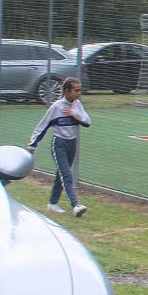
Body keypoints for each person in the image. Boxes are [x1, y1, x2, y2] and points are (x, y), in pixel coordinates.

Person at [28, 77, 91, 218]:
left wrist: (74, 113)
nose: (79, 93)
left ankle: (52, 203)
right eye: (76, 90)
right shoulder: (56, 107)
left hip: (72, 144)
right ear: (67, 91)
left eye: (79, 90)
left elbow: (87, 122)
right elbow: (42, 126)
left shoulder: (77, 105)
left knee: (61, 174)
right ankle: (75, 205)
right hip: (59, 144)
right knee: (66, 175)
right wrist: (32, 145)